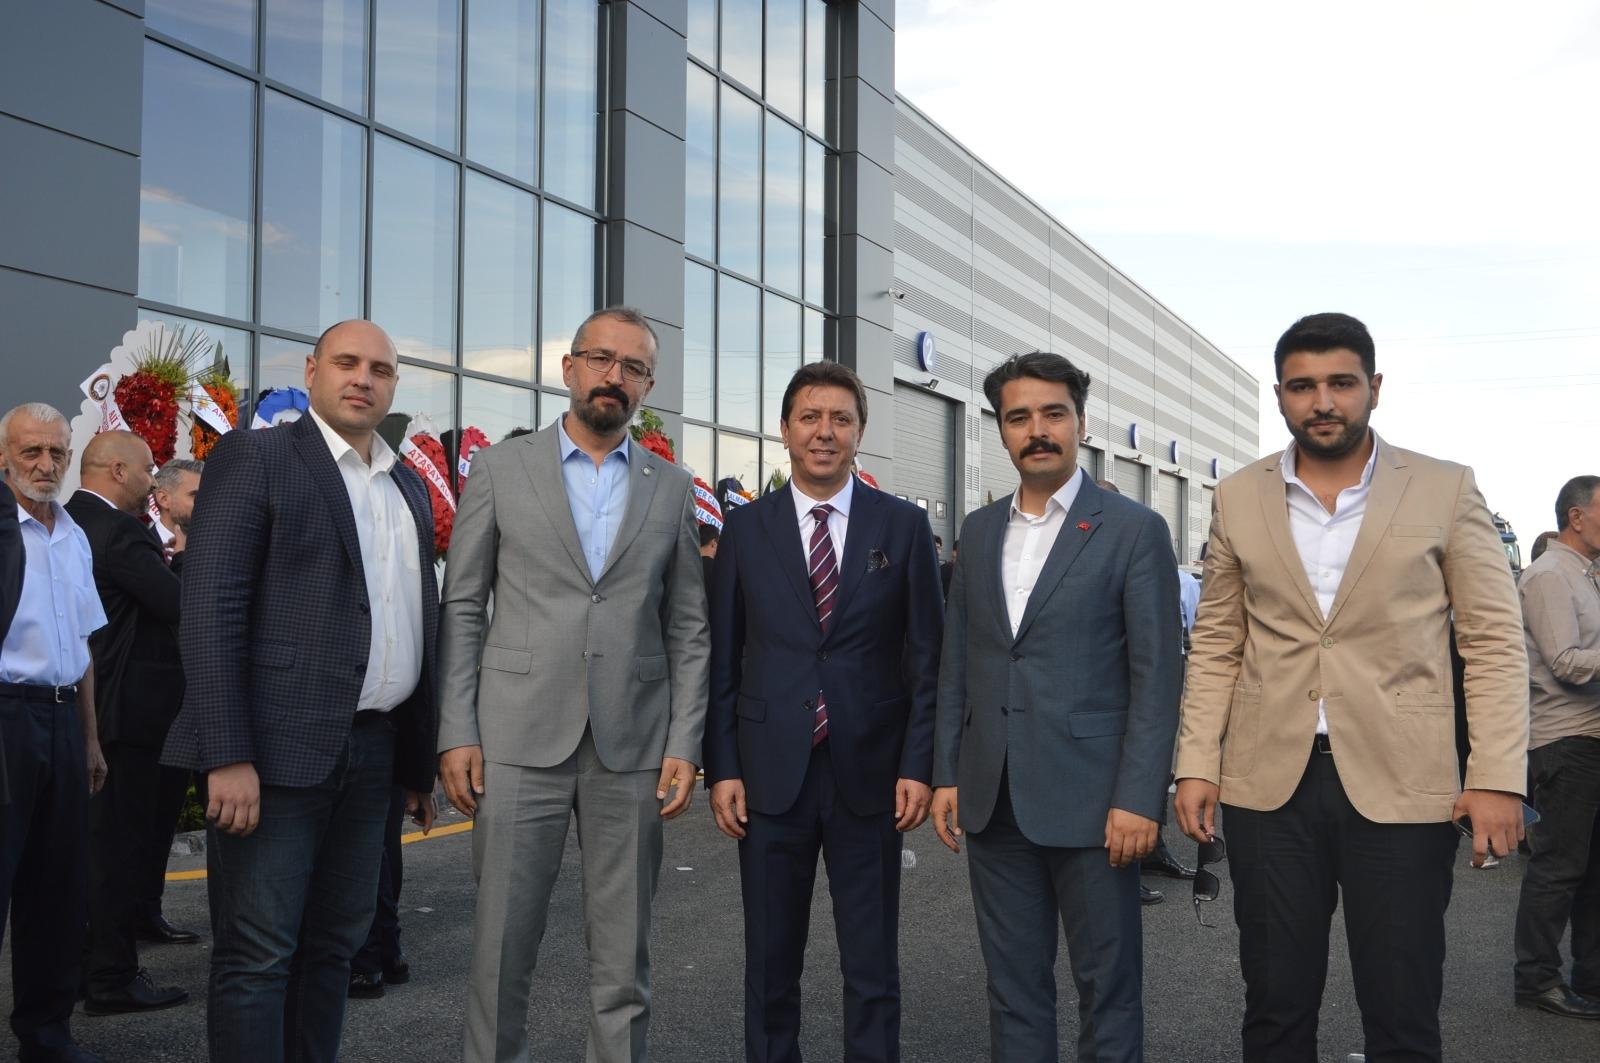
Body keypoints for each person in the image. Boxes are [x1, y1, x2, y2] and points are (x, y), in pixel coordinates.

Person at [1174, 312, 1529, 1063]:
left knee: (1402, 1010)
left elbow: (1493, 642)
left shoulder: (1444, 487)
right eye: (1302, 386)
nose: (1323, 401)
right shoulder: (1238, 495)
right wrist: (1197, 761)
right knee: (1274, 1006)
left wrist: (1496, 775)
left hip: (1405, 783)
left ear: (1374, 387)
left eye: (1340, 382)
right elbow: (1216, 644)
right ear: (1280, 395)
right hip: (1268, 785)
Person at [161, 320, 440, 1063]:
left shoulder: (407, 484)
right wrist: (227, 754)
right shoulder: (256, 457)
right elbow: (212, 608)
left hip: (374, 754)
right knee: (258, 955)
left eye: (380, 368)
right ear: (313, 371)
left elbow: (418, 620)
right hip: (273, 754)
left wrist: (416, 764)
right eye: (347, 362)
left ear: (394, 384)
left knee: (335, 948)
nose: (363, 378)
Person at [437, 306, 710, 1063]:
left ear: (647, 385)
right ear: (569, 367)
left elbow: (689, 628)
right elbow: (463, 605)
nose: (613, 376)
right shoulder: (500, 469)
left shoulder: (672, 487)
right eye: (600, 359)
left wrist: (685, 741)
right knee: (500, 952)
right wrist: (456, 728)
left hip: (634, 745)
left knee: (624, 962)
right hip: (515, 737)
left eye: (633, 367)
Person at [932, 352, 1183, 1062]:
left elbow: (1157, 676)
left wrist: (1140, 796)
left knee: (1108, 988)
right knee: (1013, 990)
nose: (1036, 430)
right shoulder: (981, 531)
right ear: (1001, 430)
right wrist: (947, 772)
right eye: (1019, 417)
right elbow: (961, 662)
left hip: (1097, 805)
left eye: (1053, 414)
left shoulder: (1134, 529)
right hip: (995, 801)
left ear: (1080, 422)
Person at [704, 362, 943, 1063]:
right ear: (785, 430)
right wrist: (723, 766)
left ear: (859, 432)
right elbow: (724, 658)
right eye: (810, 417)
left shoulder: (903, 526)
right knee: (770, 965)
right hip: (768, 774)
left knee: (871, 967)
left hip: (870, 776)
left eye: (841, 418)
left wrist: (918, 765)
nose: (824, 432)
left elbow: (927, 657)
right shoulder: (745, 528)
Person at [65, 432, 192, 1016]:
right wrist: (186, 556)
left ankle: (82, 966)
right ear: (118, 470)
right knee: (118, 851)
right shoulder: (119, 532)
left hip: (90, 709)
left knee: (90, 850)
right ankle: (112, 977)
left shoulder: (67, 523)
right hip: (125, 716)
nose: (151, 481)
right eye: (146, 470)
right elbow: (177, 604)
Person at [0, 401, 110, 1063]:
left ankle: (45, 1037)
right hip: (6, 718)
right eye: (31, 451)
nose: (45, 464)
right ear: (4, 457)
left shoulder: (74, 536)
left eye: (56, 452)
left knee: (57, 889)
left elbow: (83, 645)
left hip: (64, 717)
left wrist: (90, 738)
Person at [1511, 475, 1600, 1018]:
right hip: (1567, 740)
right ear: (1577, 516)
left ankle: (1590, 978)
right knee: (1559, 867)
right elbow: (1565, 661)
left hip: (1587, 737)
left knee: (1592, 870)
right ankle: (1536, 979)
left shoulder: (1585, 575)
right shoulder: (1548, 575)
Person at [137, 458, 205, 942]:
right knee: (136, 820)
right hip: (146, 711)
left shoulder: (211, 545)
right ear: (162, 498)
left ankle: (148, 910)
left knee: (162, 819)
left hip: (195, 707)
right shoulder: (137, 544)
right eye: (196, 496)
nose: (206, 504)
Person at [151, 458, 203, 561]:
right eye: (195, 495)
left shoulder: (218, 544)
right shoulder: (139, 549)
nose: (206, 502)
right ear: (164, 499)